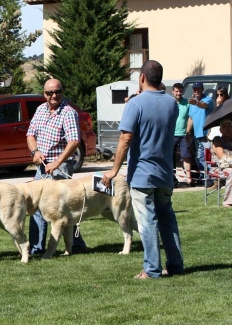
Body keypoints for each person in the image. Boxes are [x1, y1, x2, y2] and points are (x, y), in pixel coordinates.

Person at [102, 60, 184, 279]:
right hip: (166, 172)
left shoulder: (135, 103)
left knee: (147, 221)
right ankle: (175, 265)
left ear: (141, 78)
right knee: (167, 219)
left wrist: (113, 170)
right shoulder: (172, 104)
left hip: (142, 174)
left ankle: (152, 269)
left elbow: (126, 137)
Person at [26, 78, 87, 256]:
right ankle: (43, 247)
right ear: (44, 94)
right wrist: (35, 152)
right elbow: (30, 134)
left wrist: (57, 162)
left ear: (62, 92)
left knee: (59, 208)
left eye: (57, 92)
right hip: (41, 168)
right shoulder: (40, 110)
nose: (54, 96)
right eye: (49, 93)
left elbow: (74, 140)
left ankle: (43, 248)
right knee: (37, 206)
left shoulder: (68, 112)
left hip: (60, 168)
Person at [187, 82, 214, 185]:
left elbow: (204, 106)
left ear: (202, 89)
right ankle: (205, 177)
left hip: (206, 134)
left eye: (198, 89)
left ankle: (212, 178)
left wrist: (196, 103)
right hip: (197, 135)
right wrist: (188, 133)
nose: (196, 91)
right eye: (195, 89)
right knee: (199, 158)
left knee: (208, 158)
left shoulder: (207, 99)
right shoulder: (192, 103)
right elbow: (190, 119)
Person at [171, 83, 193, 187]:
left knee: (186, 156)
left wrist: (188, 132)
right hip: (171, 134)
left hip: (184, 134)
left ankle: (189, 179)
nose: (178, 93)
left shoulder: (187, 103)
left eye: (180, 91)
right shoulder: (169, 102)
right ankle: (172, 178)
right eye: (176, 91)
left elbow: (190, 118)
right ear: (173, 91)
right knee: (171, 156)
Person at [211, 119, 232, 207]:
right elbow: (221, 155)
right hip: (220, 168)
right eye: (224, 127)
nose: (227, 129)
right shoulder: (217, 140)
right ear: (220, 130)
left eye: (230, 126)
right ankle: (228, 202)